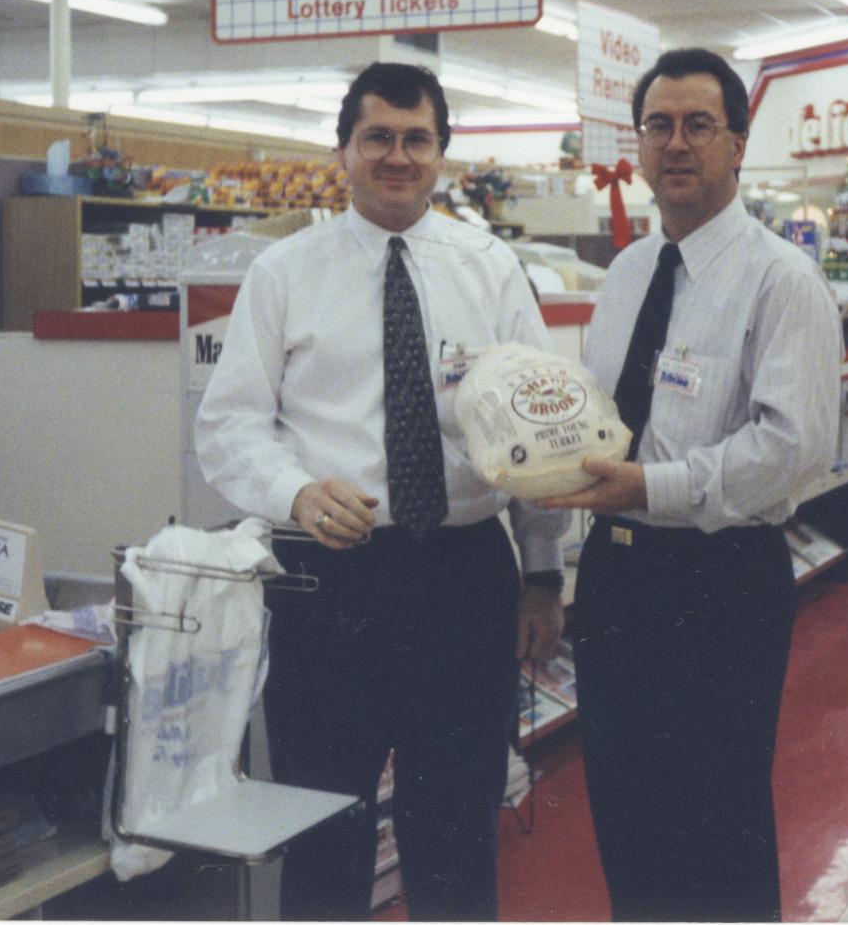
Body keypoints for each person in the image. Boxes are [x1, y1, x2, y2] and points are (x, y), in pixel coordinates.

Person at [194, 62, 568, 921]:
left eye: (416, 139)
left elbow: (534, 427)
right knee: (325, 820)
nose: (397, 157)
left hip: (464, 573)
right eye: (378, 138)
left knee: (459, 821)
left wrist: (543, 570)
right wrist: (292, 492)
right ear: (344, 149)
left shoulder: (491, 268)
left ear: (443, 154)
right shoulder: (285, 273)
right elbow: (229, 423)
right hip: (331, 575)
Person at [541, 48, 843, 922]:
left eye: (698, 125)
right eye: (659, 125)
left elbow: (793, 449)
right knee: (627, 819)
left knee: (717, 826)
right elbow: (600, 416)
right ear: (638, 143)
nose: (677, 144)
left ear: (738, 143)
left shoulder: (783, 281)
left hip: (721, 582)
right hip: (617, 578)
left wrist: (652, 487)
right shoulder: (629, 271)